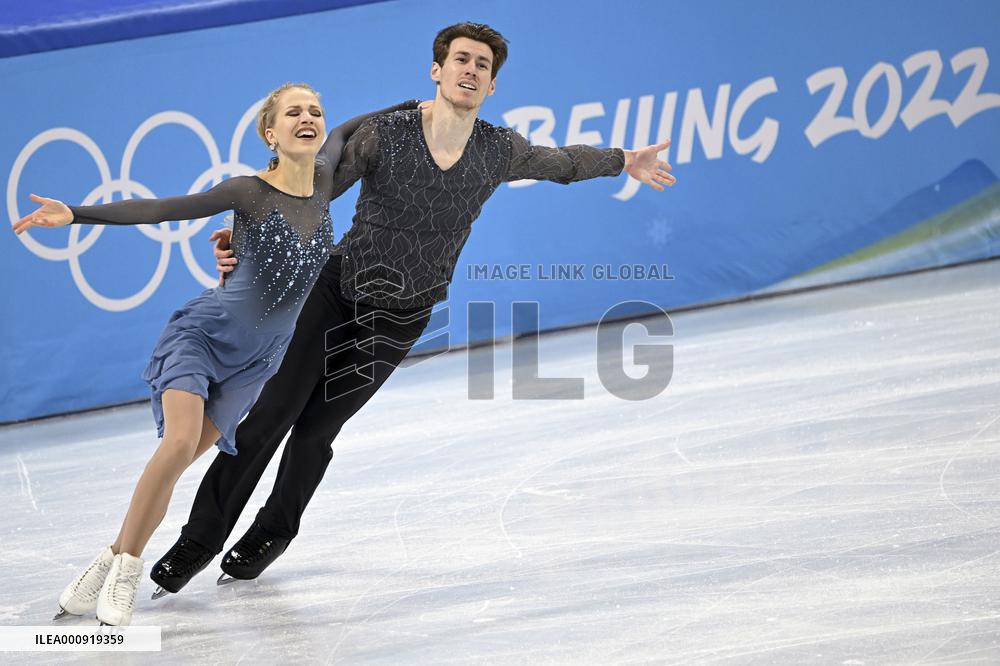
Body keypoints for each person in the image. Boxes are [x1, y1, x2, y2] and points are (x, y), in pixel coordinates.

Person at [154, 21, 677, 593]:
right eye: (461, 59)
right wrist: (249, 238)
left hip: (400, 317)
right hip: (332, 294)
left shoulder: (498, 149)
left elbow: (564, 163)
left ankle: (272, 533)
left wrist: (623, 158)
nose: (471, 70)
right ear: (437, 70)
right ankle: (197, 541)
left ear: (492, 86)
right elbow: (310, 194)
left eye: (483, 65)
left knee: (314, 433)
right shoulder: (387, 134)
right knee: (268, 420)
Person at [12, 84, 417, 625]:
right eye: (293, 112)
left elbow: (350, 129)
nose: (309, 119)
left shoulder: (324, 178)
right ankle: (127, 570)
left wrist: (419, 105)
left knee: (178, 461)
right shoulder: (247, 192)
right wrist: (77, 214)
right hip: (206, 337)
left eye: (315, 111)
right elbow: (161, 208)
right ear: (271, 134)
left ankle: (108, 559)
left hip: (257, 363)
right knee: (178, 443)